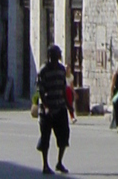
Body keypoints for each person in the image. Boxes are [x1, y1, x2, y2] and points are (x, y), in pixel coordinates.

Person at [36, 44, 71, 175]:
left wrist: (68, 104)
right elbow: (40, 90)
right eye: (54, 56)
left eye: (57, 56)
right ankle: (45, 164)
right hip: (47, 110)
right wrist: (46, 107)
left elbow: (63, 88)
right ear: (50, 57)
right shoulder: (43, 70)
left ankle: (59, 162)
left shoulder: (62, 70)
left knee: (64, 136)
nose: (56, 59)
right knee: (45, 138)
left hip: (60, 107)